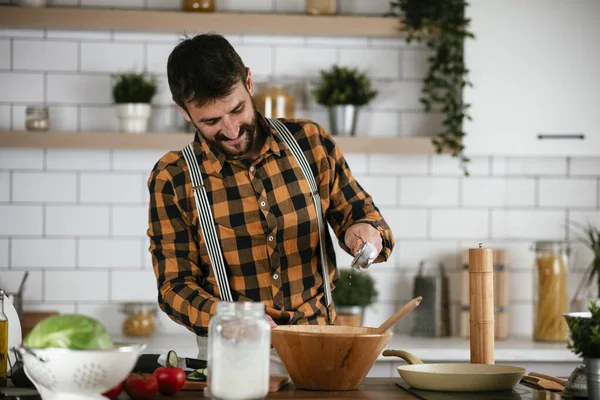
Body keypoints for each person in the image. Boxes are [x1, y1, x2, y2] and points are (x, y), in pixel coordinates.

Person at [146, 33, 394, 373]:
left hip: (320, 343)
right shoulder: (173, 178)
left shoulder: (310, 142)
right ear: (185, 113)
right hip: (232, 354)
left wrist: (365, 230)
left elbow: (359, 212)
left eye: (237, 109)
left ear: (248, 81)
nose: (231, 130)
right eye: (211, 121)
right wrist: (230, 317)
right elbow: (174, 287)